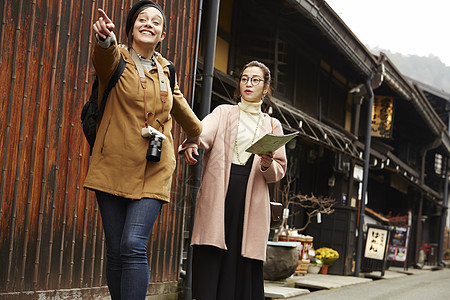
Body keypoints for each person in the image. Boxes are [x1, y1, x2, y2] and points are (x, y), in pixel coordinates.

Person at [85, 1, 202, 299]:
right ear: (131, 27)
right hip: (112, 164)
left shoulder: (166, 70)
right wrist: (104, 39)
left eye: (156, 21)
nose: (148, 24)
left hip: (154, 167)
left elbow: (185, 112)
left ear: (163, 34)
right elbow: (104, 56)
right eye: (142, 19)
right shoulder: (117, 59)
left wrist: (194, 136)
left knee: (133, 245)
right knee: (115, 250)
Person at [180, 61, 287, 300]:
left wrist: (267, 163)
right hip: (219, 193)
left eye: (255, 80)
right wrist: (192, 144)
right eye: (244, 78)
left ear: (266, 87)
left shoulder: (272, 124)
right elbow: (202, 132)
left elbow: (279, 169)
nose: (249, 83)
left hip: (252, 200)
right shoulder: (224, 112)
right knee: (211, 251)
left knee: (243, 257)